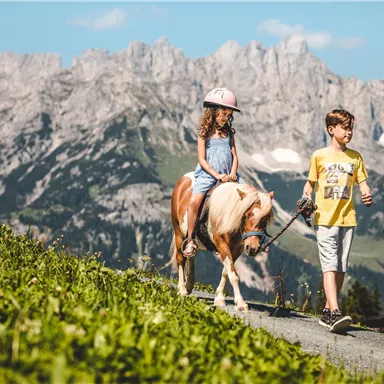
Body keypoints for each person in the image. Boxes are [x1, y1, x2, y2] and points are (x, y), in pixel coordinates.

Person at [302, 109, 372, 333]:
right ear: (332, 129)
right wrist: (305, 198)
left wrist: (366, 190)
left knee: (341, 265)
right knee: (329, 264)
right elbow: (309, 184)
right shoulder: (319, 155)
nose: (349, 132)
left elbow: (362, 182)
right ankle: (334, 311)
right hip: (325, 218)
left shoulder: (355, 157)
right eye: (345, 127)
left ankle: (326, 310)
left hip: (347, 218)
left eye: (351, 127)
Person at [182, 87, 244, 257]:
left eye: (229, 115)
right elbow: (202, 159)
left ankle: (247, 237)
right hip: (208, 175)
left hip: (229, 175)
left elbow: (235, 156)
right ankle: (190, 239)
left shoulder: (229, 133)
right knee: (195, 202)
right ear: (214, 111)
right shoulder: (204, 133)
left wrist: (232, 174)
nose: (227, 117)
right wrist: (216, 175)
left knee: (249, 198)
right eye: (224, 113)